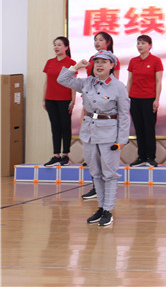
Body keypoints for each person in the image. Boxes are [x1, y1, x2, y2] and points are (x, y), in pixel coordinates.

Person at [57, 50, 129, 227]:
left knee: (109, 173)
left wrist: (121, 140)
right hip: (89, 132)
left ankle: (108, 210)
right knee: (95, 172)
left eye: (104, 62)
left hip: (109, 134)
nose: (99, 65)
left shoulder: (118, 87)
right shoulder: (88, 82)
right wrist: (76, 66)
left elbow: (124, 115)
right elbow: (62, 80)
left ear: (112, 65)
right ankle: (101, 207)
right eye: (96, 62)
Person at [80, 31, 121, 201]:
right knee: (93, 162)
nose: (97, 42)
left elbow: (113, 84)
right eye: (95, 40)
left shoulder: (112, 61)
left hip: (106, 116)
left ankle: (107, 206)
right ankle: (97, 192)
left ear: (108, 42)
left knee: (107, 165)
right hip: (91, 107)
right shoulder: (92, 60)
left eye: (100, 40)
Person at [127, 35, 163, 168]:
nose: (140, 46)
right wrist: (126, 98)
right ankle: (141, 156)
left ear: (150, 45)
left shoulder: (156, 61)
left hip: (149, 98)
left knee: (149, 128)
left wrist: (157, 99)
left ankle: (150, 157)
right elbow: (130, 81)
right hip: (135, 98)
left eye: (143, 43)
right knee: (139, 128)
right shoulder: (133, 61)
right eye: (138, 43)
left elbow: (158, 81)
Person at [42, 37, 76, 167]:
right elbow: (47, 82)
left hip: (65, 100)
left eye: (59, 45)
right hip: (50, 99)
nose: (56, 47)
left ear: (66, 47)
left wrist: (73, 100)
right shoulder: (49, 62)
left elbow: (74, 83)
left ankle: (65, 155)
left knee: (65, 127)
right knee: (55, 127)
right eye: (55, 45)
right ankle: (56, 155)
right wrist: (44, 99)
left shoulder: (71, 63)